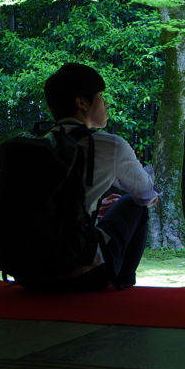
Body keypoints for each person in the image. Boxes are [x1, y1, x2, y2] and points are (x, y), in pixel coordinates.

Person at [28, 62, 158, 291]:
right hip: (79, 273)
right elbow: (146, 195)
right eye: (100, 96)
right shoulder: (109, 145)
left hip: (28, 273)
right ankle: (122, 286)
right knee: (132, 203)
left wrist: (94, 207)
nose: (106, 103)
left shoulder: (33, 146)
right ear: (82, 103)